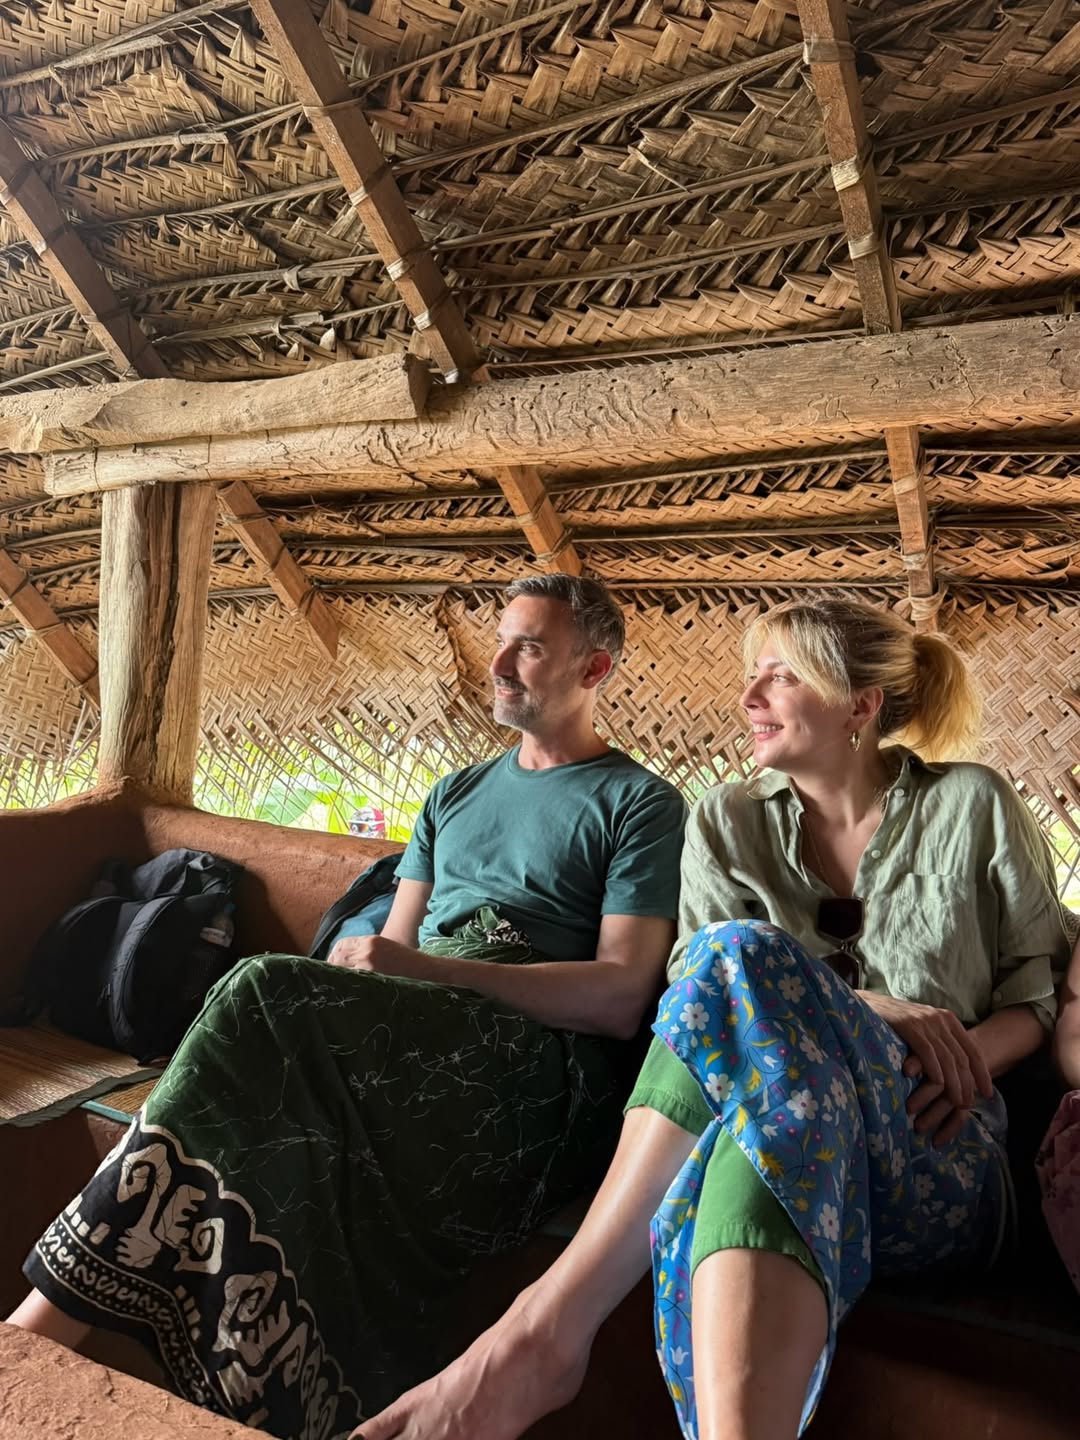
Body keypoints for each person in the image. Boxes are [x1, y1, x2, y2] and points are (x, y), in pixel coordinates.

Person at [356, 594, 1071, 1440]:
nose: (749, 697)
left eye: (781, 677)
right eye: (751, 676)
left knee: (736, 958)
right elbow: (706, 1007)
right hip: (794, 1135)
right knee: (763, 1119)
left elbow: (1036, 994)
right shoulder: (728, 822)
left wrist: (958, 1063)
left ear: (860, 704)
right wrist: (863, 1005)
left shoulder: (973, 804)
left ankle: (542, 1332)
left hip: (935, 1147)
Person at [8, 574, 686, 1440]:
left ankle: (42, 1323)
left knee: (263, 988)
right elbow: (389, 960)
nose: (499, 665)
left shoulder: (640, 804)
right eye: (501, 640)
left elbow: (621, 997)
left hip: (536, 1074)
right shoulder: (454, 795)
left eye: (530, 648)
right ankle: (250, 1380)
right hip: (418, 1034)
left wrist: (424, 973)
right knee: (261, 1095)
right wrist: (380, 977)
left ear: (593, 669)